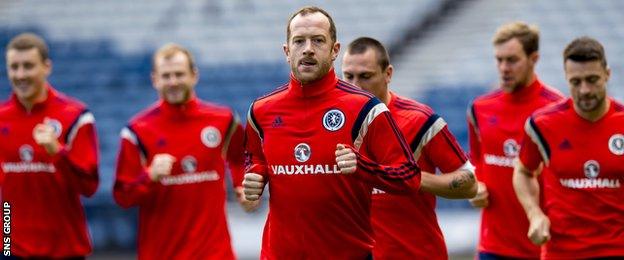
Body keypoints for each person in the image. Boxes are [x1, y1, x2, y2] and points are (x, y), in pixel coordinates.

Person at [242, 6, 421, 259]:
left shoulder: (366, 108)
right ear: (287, 51)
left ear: (335, 50)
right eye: (299, 41)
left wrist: (364, 167)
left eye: (318, 40)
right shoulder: (261, 111)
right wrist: (256, 173)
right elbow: (254, 156)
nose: (307, 48)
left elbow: (410, 177)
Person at [113, 43, 256, 259]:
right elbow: (123, 196)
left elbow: (242, 157)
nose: (173, 82)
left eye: (179, 74)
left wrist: (241, 185)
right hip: (162, 253)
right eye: (166, 76)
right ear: (155, 79)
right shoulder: (137, 131)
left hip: (215, 252)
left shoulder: (223, 120)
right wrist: (149, 175)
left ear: (194, 75)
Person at [341, 37, 477, 259]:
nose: (355, 86)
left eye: (365, 76)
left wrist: (407, 178)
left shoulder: (419, 120)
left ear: (388, 74)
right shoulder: (333, 123)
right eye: (349, 77)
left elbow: (469, 183)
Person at [514, 36, 624, 259]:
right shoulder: (542, 125)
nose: (584, 90)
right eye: (576, 82)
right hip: (561, 253)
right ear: (566, 78)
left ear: (607, 74)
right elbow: (523, 171)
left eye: (592, 79)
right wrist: (534, 213)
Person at [467, 22, 564, 259]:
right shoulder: (479, 109)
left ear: (534, 58)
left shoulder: (557, 110)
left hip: (544, 247)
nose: (503, 68)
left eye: (512, 60)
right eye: (499, 60)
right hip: (493, 248)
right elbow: (477, 165)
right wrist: (475, 188)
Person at [0, 33, 99, 258]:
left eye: (28, 66)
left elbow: (89, 186)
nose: (20, 75)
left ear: (47, 67)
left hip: (64, 249)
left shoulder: (76, 116)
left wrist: (58, 152)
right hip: (9, 246)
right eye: (14, 67)